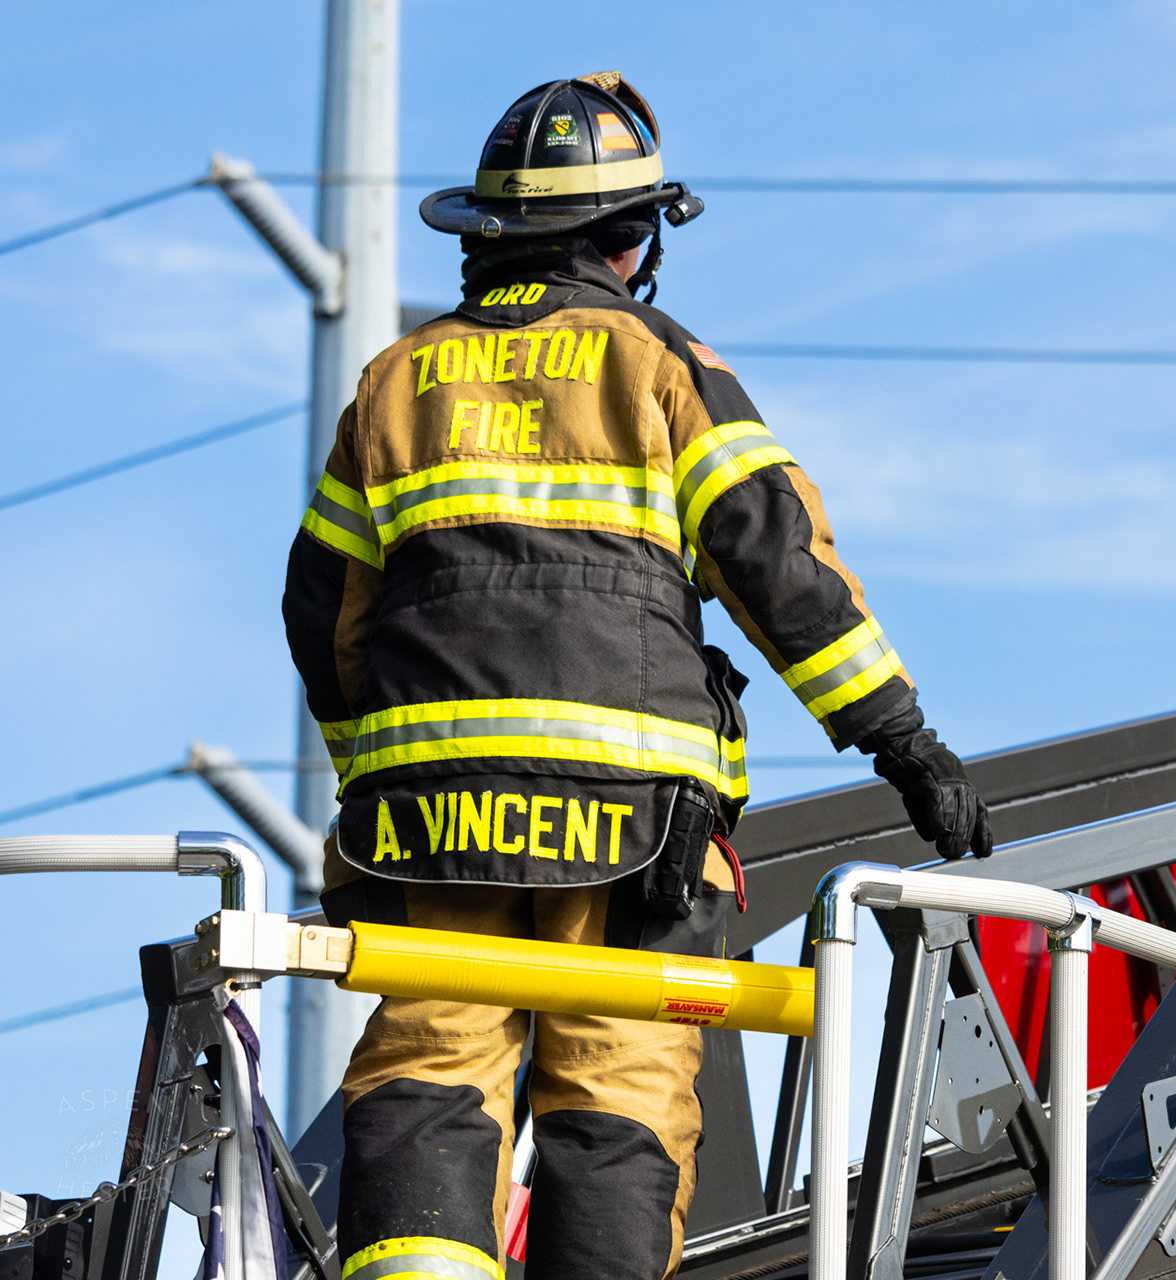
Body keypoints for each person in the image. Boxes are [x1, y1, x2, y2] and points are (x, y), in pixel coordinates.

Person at [282, 71, 992, 1280]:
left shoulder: (396, 381)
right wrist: (904, 744)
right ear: (631, 237)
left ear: (488, 232)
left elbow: (321, 608)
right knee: (619, 1087)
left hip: (430, 826)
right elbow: (780, 568)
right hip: (634, 829)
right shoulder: (662, 365)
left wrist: (379, 776)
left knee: (429, 1060)